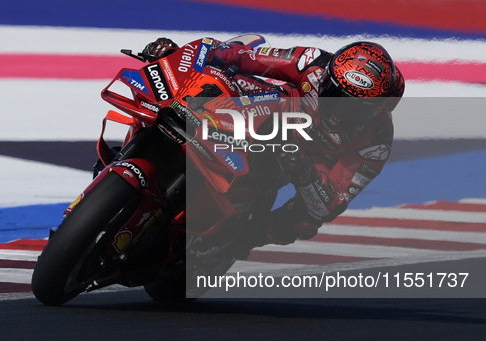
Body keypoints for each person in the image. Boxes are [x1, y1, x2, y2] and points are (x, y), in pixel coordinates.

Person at [142, 36, 405, 249]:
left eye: (355, 109)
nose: (338, 112)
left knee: (306, 221)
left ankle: (238, 243)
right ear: (326, 78)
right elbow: (244, 56)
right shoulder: (311, 62)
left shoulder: (376, 141)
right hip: (272, 115)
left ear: (378, 108)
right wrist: (181, 58)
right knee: (232, 67)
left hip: (304, 165)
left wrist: (304, 172)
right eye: (335, 95)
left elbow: (332, 201)